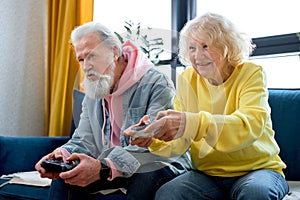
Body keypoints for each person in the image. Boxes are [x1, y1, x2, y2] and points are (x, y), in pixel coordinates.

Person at [124, 12, 289, 199]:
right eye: (192, 48)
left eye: (205, 46)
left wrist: (190, 123)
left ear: (227, 47)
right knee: (168, 194)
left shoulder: (250, 73)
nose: (198, 56)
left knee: (256, 193)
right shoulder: (187, 79)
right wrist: (154, 138)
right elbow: (180, 142)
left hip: (257, 170)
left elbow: (250, 125)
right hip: (208, 175)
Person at [35, 21, 190, 200]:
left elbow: (152, 145)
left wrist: (105, 166)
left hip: (156, 164)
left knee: (145, 176)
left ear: (115, 52)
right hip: (109, 167)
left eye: (92, 56)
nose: (86, 66)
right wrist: (62, 155)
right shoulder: (94, 89)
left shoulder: (156, 83)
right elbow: (84, 139)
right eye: (81, 59)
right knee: (66, 176)